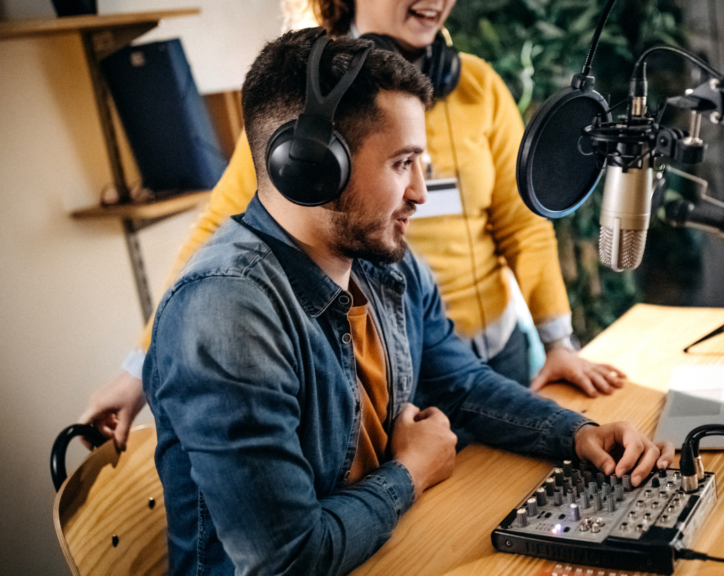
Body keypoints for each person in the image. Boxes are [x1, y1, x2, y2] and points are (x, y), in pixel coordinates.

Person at [145, 29, 670, 575]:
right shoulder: (227, 314)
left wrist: (577, 432)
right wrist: (411, 470)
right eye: (402, 163)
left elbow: (462, 385)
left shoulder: (378, 261)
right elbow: (289, 560)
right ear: (313, 166)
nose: (421, 191)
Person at [80, 0, 626, 452]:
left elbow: (523, 225)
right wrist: (139, 370)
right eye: (399, 164)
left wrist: (559, 342)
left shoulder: (479, 87)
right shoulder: (306, 117)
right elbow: (214, 238)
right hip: (389, 358)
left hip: (473, 350)